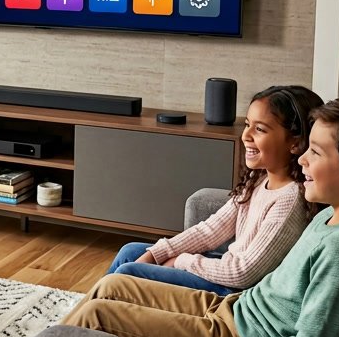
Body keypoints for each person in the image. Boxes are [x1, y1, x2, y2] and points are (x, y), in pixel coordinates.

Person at [0, 97, 339, 337]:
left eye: (317, 152)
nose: (303, 158)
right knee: (115, 285)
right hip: (232, 310)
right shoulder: (330, 213)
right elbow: (219, 234)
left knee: (99, 311)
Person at [105, 85, 322, 295]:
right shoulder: (259, 180)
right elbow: (210, 231)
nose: (246, 135)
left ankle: (99, 316)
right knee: (131, 252)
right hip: (225, 272)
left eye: (260, 129)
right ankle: (86, 317)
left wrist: (182, 262)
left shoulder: (290, 198)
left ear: (295, 142)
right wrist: (157, 253)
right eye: (247, 124)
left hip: (234, 292)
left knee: (129, 271)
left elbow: (243, 274)